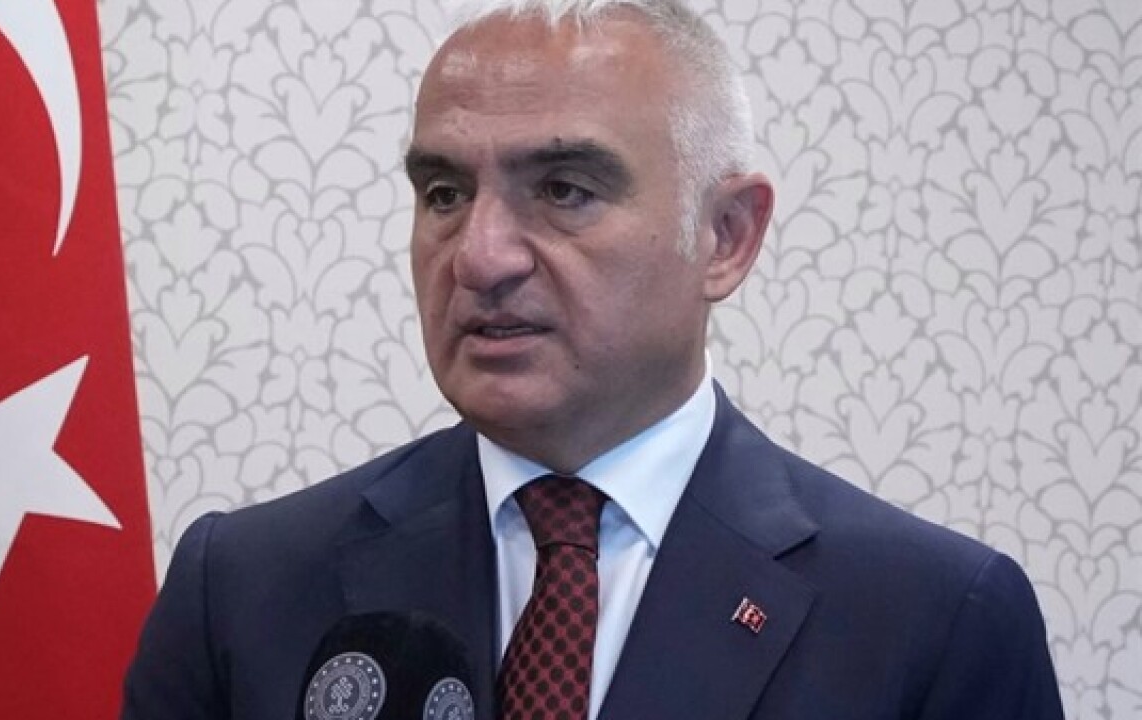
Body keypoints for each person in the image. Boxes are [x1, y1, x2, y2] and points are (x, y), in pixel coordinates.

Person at [121, 1, 1065, 718]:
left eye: (564, 190)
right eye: (444, 192)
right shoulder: (239, 585)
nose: (481, 257)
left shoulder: (935, 618)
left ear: (726, 236)